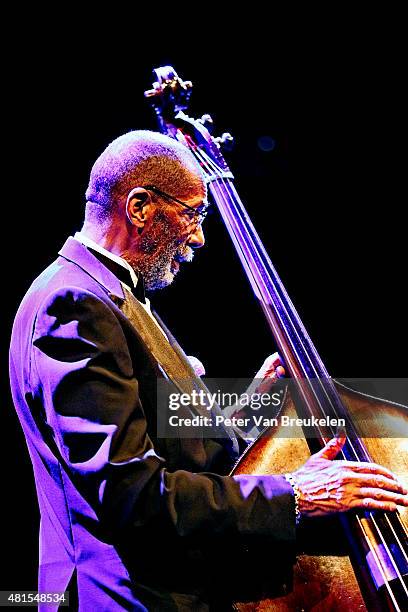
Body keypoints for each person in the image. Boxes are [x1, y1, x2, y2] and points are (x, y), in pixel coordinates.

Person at [9, 130, 408, 611]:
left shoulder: (115, 295)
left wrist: (248, 409)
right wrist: (295, 494)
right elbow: (133, 495)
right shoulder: (73, 306)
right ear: (139, 207)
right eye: (193, 214)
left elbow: (168, 449)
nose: (199, 235)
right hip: (126, 598)